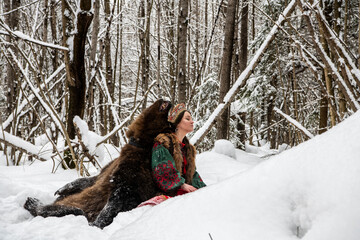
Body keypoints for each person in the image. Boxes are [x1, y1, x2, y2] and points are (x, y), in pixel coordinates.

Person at [151, 103, 206, 196]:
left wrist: (205, 189)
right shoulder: (164, 143)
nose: (192, 122)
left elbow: (193, 175)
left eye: (191, 119)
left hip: (183, 194)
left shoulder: (188, 148)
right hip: (165, 195)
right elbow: (162, 171)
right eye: (187, 119)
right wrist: (181, 185)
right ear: (177, 123)